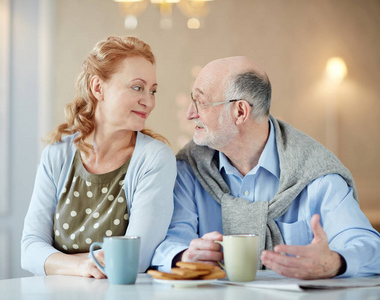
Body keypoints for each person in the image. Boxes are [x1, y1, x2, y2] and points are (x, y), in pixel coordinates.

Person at [152, 56, 380, 279]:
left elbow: (369, 247)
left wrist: (335, 262)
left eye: (200, 102)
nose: (190, 114)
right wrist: (183, 256)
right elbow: (169, 241)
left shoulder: (316, 173)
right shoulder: (188, 168)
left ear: (240, 111)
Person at [21, 36, 176, 278]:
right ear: (98, 88)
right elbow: (29, 250)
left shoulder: (155, 158)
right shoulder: (56, 156)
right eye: (137, 87)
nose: (148, 101)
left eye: (152, 91)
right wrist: (82, 267)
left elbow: (136, 258)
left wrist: (56, 260)